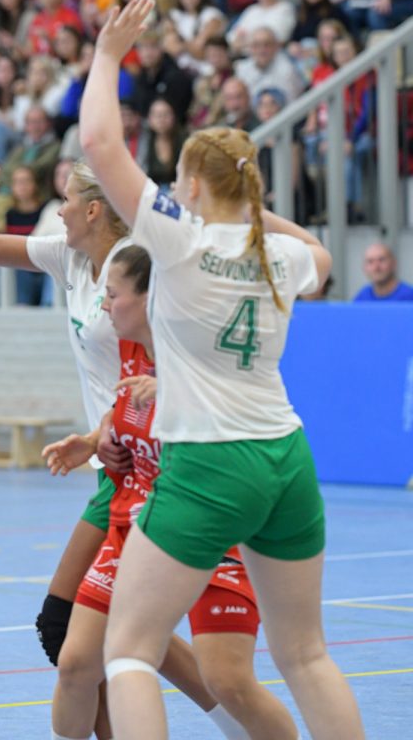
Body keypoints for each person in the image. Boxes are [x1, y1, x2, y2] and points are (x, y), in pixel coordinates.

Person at [78, 0, 365, 740]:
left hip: (210, 461)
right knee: (306, 654)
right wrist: (252, 213)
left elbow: (101, 145)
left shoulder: (183, 241)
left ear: (197, 188)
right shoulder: (284, 256)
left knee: (130, 650)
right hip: (286, 457)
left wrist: (107, 57)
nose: (173, 191)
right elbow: (324, 259)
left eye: (180, 181)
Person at [0, 157, 253, 739]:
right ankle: (232, 722)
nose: (58, 209)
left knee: (71, 626)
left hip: (154, 463)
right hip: (114, 462)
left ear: (93, 209)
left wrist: (121, 423)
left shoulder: (138, 267)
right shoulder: (70, 256)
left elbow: (184, 349)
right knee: (113, 632)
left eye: (66, 199)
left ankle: (239, 720)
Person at [43, 245, 299, 740]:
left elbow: (250, 418)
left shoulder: (207, 356)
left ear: (150, 298)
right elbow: (126, 408)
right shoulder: (131, 347)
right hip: (136, 524)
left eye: (112, 294)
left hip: (208, 527)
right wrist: (98, 439)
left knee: (228, 681)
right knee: (76, 662)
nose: (103, 305)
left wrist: (178, 392)